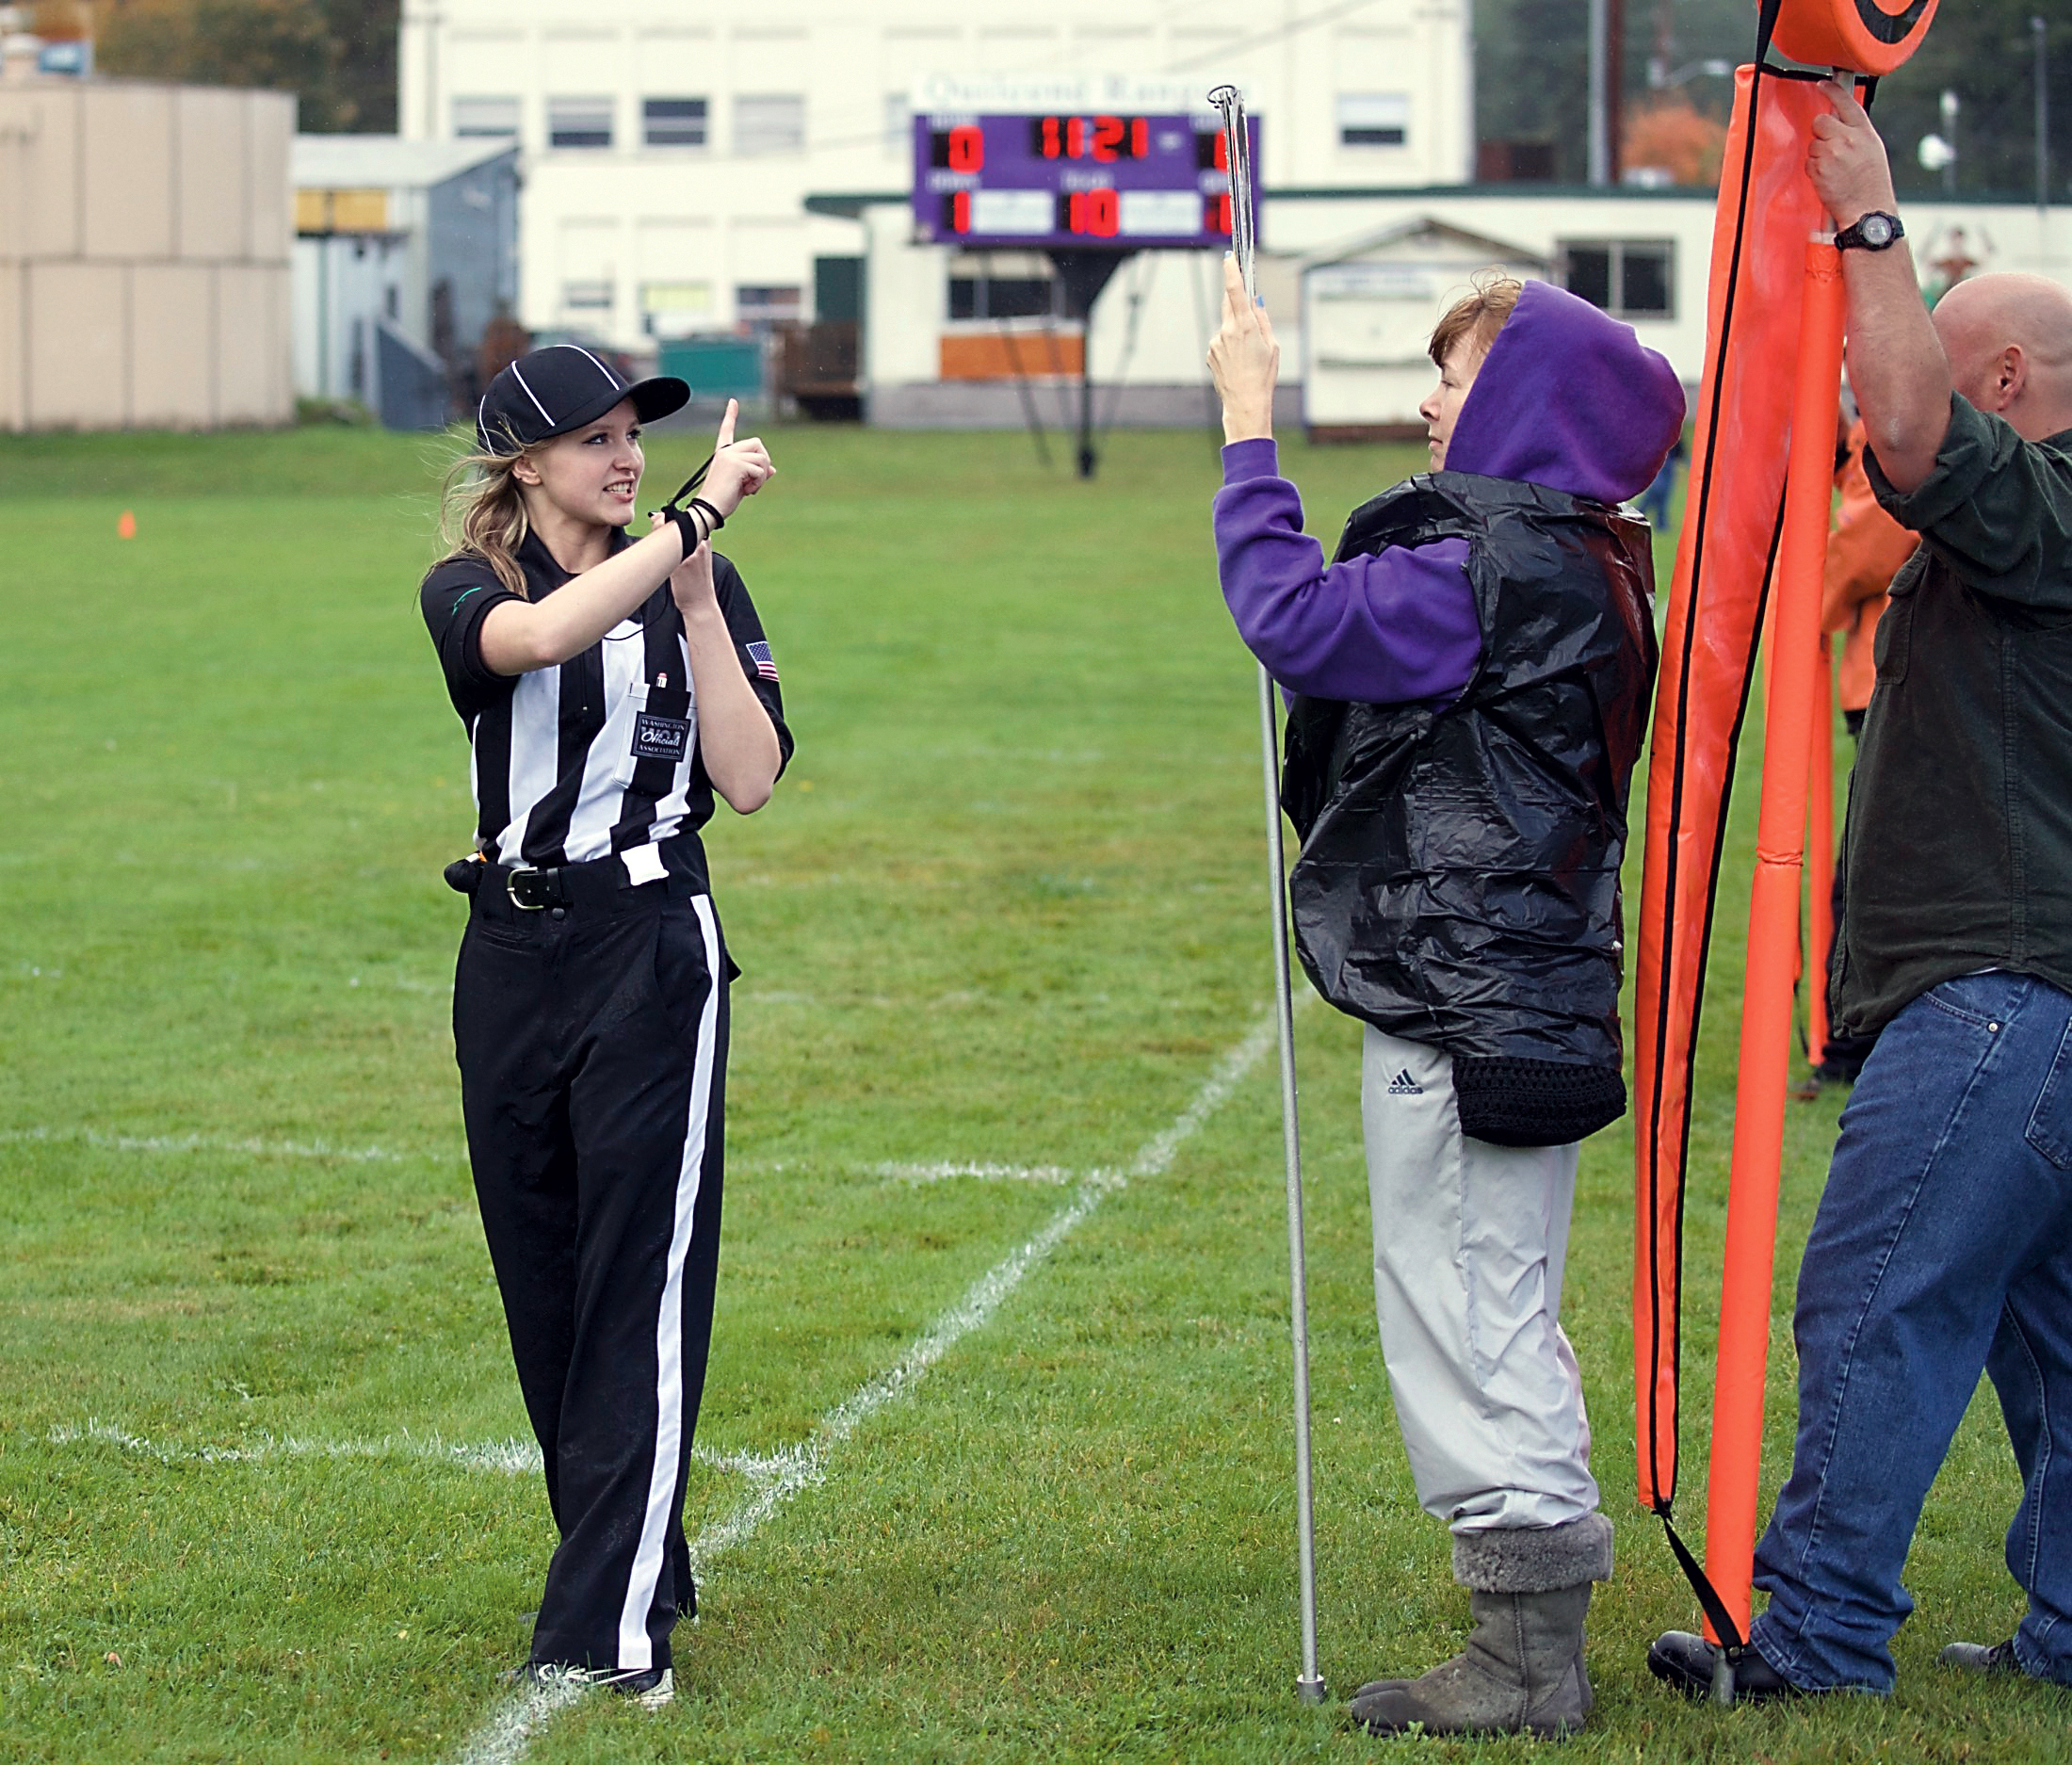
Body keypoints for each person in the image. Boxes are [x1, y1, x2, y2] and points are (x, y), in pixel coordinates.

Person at [1209, 261, 1684, 1736]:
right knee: (1498, 1302)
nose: (1429, 403)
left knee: (1470, 1310)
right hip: (1517, 982)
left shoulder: (1495, 566)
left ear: (1535, 404)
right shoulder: (1582, 556)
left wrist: (1246, 429)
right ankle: (1526, 1623)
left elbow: (1290, 614)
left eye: (1459, 377)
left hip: (1470, 999)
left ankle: (1530, 1655)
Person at [1648, 83, 2072, 1702]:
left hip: (1998, 990)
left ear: (2010, 381)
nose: (1867, 363)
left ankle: (1815, 1632)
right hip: (2036, 994)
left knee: (1881, 1290)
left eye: (1929, 341)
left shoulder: (2043, 502)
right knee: (2050, 1334)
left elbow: (1911, 432)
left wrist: (1867, 213)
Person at [419, 345, 787, 1707]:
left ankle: (608, 1632)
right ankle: (643, 1551)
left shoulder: (695, 574)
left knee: (640, 1277)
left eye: (634, 436)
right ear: (525, 463)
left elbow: (747, 780)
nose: (626, 458)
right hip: (509, 954)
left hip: (649, 946)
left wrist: (696, 584)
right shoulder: (474, 586)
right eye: (593, 440)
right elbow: (538, 642)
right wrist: (692, 521)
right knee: (548, 1292)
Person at [1797, 410, 1918, 1095]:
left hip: (1890, 676)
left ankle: (1852, 1035)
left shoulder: (1893, 428)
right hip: (1889, 671)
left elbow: (1866, 544)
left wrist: (1809, 602)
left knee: (1872, 869)